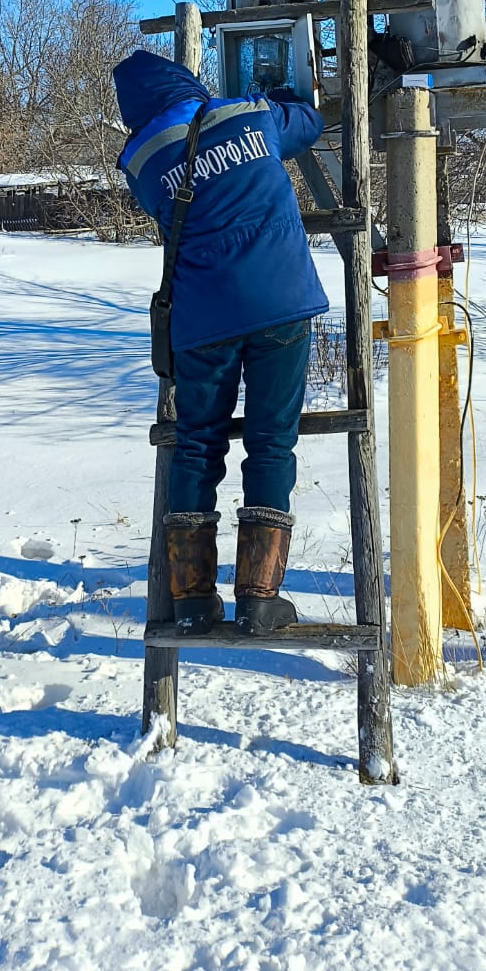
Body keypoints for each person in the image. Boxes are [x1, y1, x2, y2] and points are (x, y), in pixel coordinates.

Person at [113, 48, 328, 636]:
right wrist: (279, 95)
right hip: (280, 301)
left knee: (195, 446)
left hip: (201, 320)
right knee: (271, 442)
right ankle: (260, 598)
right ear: (187, 81)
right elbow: (308, 120)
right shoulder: (247, 115)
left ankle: (191, 600)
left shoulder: (139, 160)